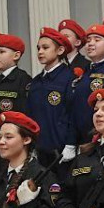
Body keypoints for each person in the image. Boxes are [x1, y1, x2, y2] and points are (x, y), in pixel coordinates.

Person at [0, 33, 32, 172]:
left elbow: (25, 116)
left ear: (16, 55)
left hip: (13, 147)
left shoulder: (22, 80)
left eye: (2, 52)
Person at [27, 27, 75, 167]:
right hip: (39, 148)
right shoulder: (36, 82)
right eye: (38, 48)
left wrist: (71, 143)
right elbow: (30, 115)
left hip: (60, 148)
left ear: (60, 50)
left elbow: (72, 113)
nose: (40, 52)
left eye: (45, 47)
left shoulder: (68, 77)